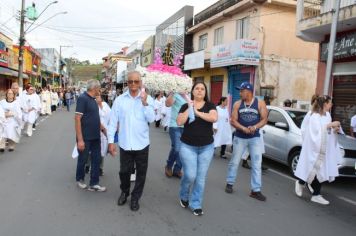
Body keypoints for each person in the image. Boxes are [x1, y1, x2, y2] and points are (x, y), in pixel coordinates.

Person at [108, 71, 155, 212]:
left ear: (140, 82)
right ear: (126, 83)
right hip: (125, 143)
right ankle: (125, 191)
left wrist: (145, 103)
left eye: (136, 81)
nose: (133, 84)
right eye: (130, 82)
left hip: (142, 144)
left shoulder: (148, 99)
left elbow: (152, 119)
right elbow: (112, 122)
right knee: (124, 172)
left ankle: (135, 198)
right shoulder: (119, 100)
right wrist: (111, 142)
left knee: (141, 173)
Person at [177, 82, 218, 216]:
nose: (200, 91)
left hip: (206, 147)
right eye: (197, 89)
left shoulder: (210, 105)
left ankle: (196, 204)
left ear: (205, 92)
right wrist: (190, 106)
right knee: (190, 175)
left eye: (202, 89)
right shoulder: (185, 106)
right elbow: (179, 122)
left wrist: (197, 112)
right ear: (192, 91)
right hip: (188, 147)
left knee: (200, 178)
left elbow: (213, 117)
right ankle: (183, 195)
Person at [225, 82, 268, 201]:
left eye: (241, 91)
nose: (239, 93)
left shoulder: (259, 103)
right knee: (234, 161)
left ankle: (256, 190)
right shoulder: (237, 104)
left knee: (256, 164)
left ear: (248, 91)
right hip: (240, 137)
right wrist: (243, 128)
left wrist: (254, 127)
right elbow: (233, 121)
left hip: (254, 138)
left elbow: (264, 119)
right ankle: (229, 183)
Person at [295, 95, 341, 205]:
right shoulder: (314, 116)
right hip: (314, 148)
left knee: (321, 171)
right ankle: (301, 182)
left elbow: (327, 131)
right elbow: (315, 132)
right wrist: (330, 125)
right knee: (311, 168)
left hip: (325, 148)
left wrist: (335, 129)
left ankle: (316, 195)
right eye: (330, 102)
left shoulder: (328, 115)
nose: (332, 104)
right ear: (325, 104)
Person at [75, 79, 106, 192]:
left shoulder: (93, 100)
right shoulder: (83, 99)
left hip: (95, 137)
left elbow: (94, 117)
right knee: (83, 159)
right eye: (99, 88)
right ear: (95, 88)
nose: (100, 90)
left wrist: (102, 128)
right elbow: (77, 119)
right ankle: (80, 179)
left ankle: (94, 183)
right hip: (85, 137)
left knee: (96, 160)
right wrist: (80, 140)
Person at [164, 92, 187, 178]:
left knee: (183, 149)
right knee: (177, 148)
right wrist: (172, 93)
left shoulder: (188, 96)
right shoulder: (176, 94)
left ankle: (177, 170)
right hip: (175, 125)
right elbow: (167, 104)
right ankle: (169, 166)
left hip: (186, 127)